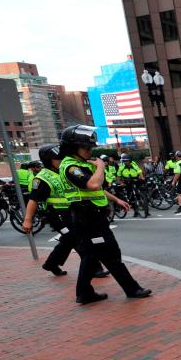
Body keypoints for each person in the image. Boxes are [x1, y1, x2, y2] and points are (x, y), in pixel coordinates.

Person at [58, 125, 151, 304]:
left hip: (92, 216)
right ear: (73, 148)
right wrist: (100, 166)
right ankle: (132, 289)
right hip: (88, 218)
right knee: (110, 253)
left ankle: (84, 293)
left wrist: (116, 200)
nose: (89, 151)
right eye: (86, 148)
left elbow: (96, 189)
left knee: (92, 255)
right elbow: (93, 185)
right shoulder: (71, 168)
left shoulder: (81, 165)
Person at [22, 144, 108, 278]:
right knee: (77, 240)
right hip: (57, 216)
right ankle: (94, 268)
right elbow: (33, 200)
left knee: (68, 240)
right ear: (49, 160)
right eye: (58, 158)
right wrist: (27, 220)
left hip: (72, 212)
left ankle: (51, 263)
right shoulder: (42, 178)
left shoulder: (64, 171)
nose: (62, 160)